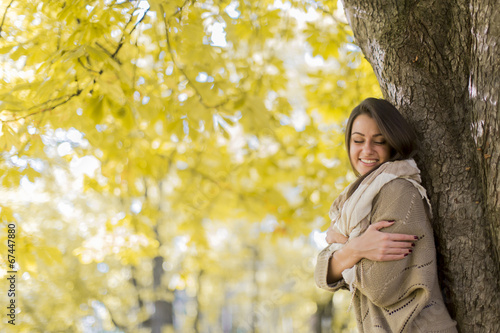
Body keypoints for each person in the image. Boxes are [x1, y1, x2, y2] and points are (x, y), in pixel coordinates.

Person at [314, 98, 457, 332]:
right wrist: (357, 248)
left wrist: (343, 250)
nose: (367, 150)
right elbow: (322, 275)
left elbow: (380, 286)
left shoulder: (399, 191)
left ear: (392, 144)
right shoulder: (354, 203)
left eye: (379, 141)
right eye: (358, 140)